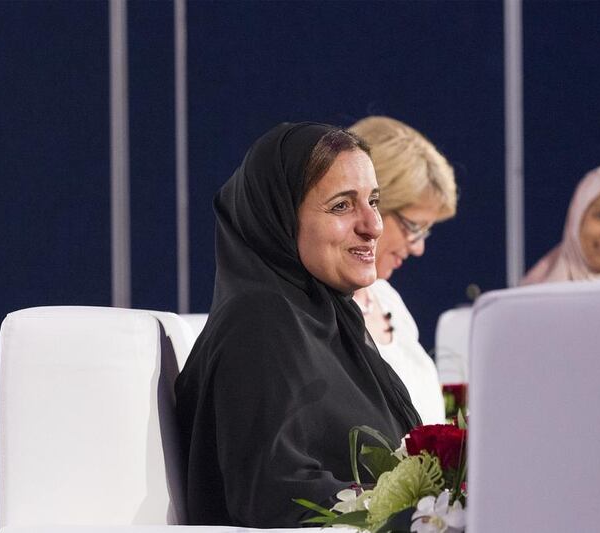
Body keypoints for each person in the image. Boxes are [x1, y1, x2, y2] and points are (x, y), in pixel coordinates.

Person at [175, 122, 420, 527]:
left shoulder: (333, 322)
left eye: (373, 201)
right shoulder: (258, 322)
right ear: (281, 219)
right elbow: (277, 496)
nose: (373, 225)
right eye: (342, 206)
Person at [348, 116, 457, 424]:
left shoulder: (387, 299)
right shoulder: (310, 311)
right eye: (413, 227)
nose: (418, 248)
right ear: (369, 204)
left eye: (426, 231)